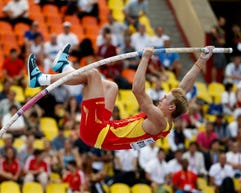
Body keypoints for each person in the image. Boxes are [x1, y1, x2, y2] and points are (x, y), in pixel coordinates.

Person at [27, 43, 214, 150]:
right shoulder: (166, 118)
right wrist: (201, 60)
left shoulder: (158, 120)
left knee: (92, 75)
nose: (162, 97)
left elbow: (138, 91)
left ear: (171, 108)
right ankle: (64, 68)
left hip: (96, 132)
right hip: (104, 127)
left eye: (166, 98)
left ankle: (40, 78)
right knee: (110, 87)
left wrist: (145, 59)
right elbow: (184, 87)